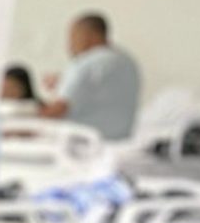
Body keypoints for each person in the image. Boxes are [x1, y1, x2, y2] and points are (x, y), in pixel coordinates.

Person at [41, 12, 141, 141]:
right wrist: (63, 82)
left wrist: (26, 117)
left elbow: (59, 109)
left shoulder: (86, 63)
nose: (69, 45)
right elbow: (101, 97)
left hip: (81, 143)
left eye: (73, 37)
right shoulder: (127, 62)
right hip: (120, 142)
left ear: (88, 35)